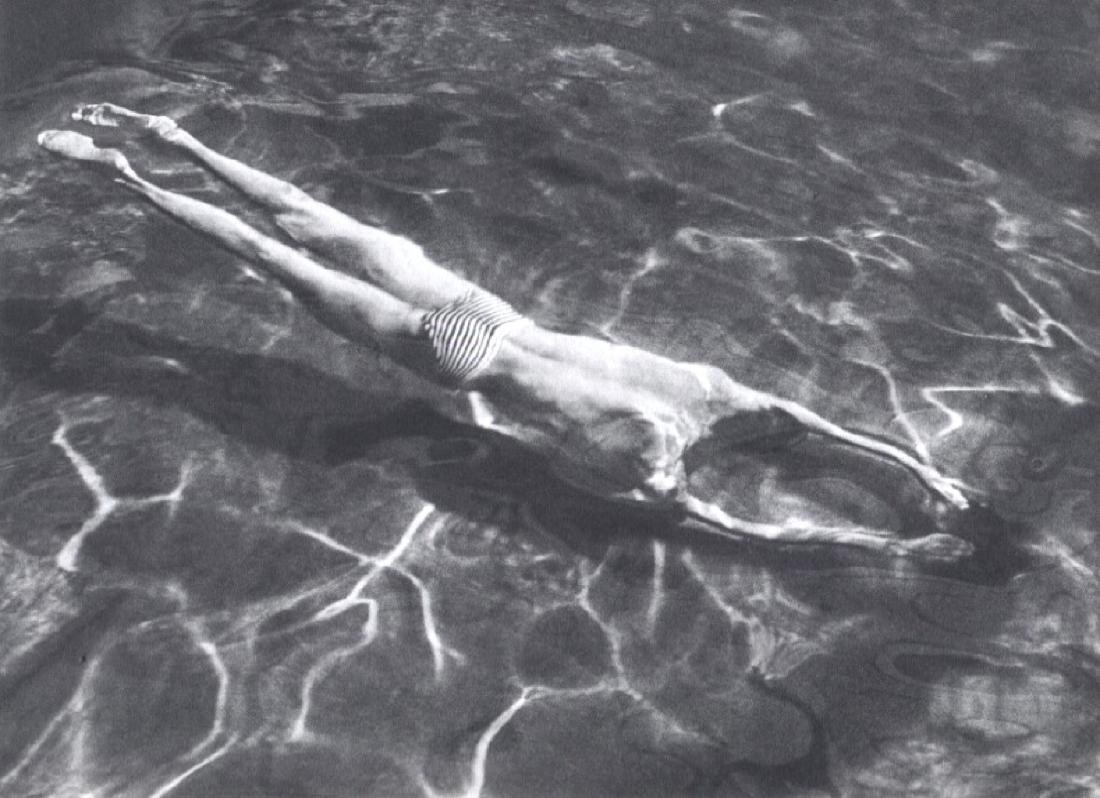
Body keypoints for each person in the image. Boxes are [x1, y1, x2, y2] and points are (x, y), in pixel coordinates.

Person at [38, 103, 975, 560]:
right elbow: (766, 531)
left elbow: (812, 433)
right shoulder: (654, 476)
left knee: (309, 220)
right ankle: (124, 173)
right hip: (460, 356)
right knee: (277, 258)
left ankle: (173, 141)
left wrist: (919, 473)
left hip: (488, 312)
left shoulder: (716, 394)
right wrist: (898, 542)